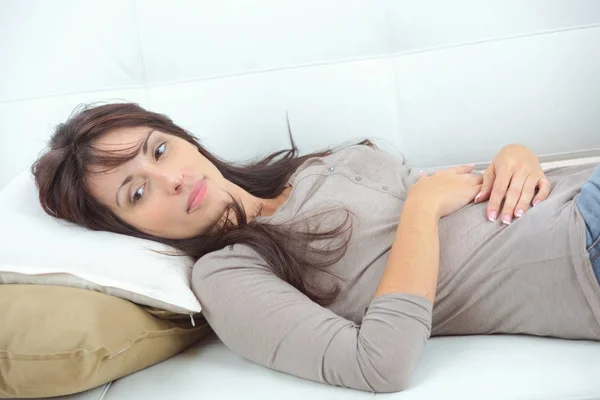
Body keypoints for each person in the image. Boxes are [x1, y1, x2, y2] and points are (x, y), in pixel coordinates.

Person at [32, 102, 600, 393]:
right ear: (129, 231)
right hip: (583, 251)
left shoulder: (316, 166)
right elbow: (379, 364)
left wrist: (518, 157)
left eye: (158, 152)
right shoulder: (228, 276)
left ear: (183, 139)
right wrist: (421, 209)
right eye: (136, 192)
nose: (171, 180)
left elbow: (461, 190)